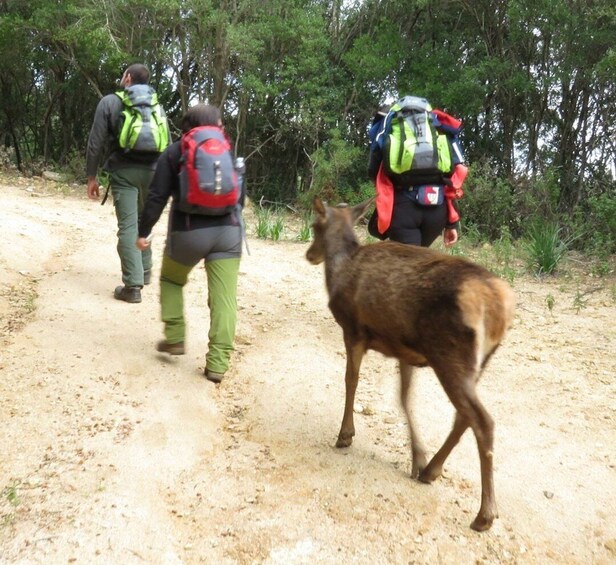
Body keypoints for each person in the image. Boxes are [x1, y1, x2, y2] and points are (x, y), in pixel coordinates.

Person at [136, 104, 244, 384]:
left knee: (172, 280)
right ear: (216, 125)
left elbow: (157, 196)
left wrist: (143, 231)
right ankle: (218, 364)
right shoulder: (225, 149)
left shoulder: (175, 151)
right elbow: (240, 196)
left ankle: (174, 337)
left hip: (188, 232)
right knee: (224, 299)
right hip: (228, 233)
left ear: (186, 126)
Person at [86, 63, 170, 303]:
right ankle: (144, 270)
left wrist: (92, 176)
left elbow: (96, 141)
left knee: (128, 226)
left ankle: (132, 287)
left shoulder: (110, 102)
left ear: (128, 78)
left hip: (124, 172)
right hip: (155, 173)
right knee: (146, 220)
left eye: (123, 76)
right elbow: (168, 141)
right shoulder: (157, 106)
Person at [367, 99, 461, 248]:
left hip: (404, 209)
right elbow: (456, 173)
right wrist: (452, 223)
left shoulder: (390, 123)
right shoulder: (438, 124)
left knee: (408, 266)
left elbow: (373, 169)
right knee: (417, 262)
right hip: (437, 211)